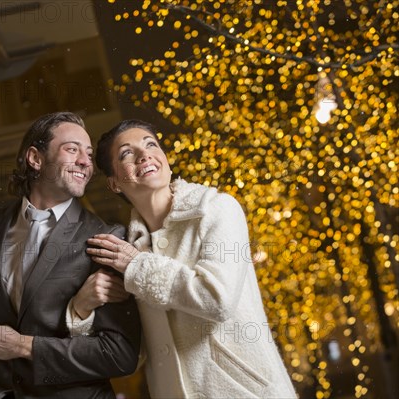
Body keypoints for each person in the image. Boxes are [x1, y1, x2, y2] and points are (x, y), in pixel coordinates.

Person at [74, 119, 297, 398]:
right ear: (115, 183)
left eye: (151, 145)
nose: (144, 155)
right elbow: (132, 355)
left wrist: (136, 265)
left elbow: (217, 298)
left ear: (166, 161)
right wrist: (81, 310)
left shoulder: (216, 209)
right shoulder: (125, 249)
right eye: (126, 153)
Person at [0, 112, 141, 399]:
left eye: (88, 154)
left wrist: (26, 347)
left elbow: (119, 354)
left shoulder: (105, 238)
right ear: (35, 159)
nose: (85, 162)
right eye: (72, 149)